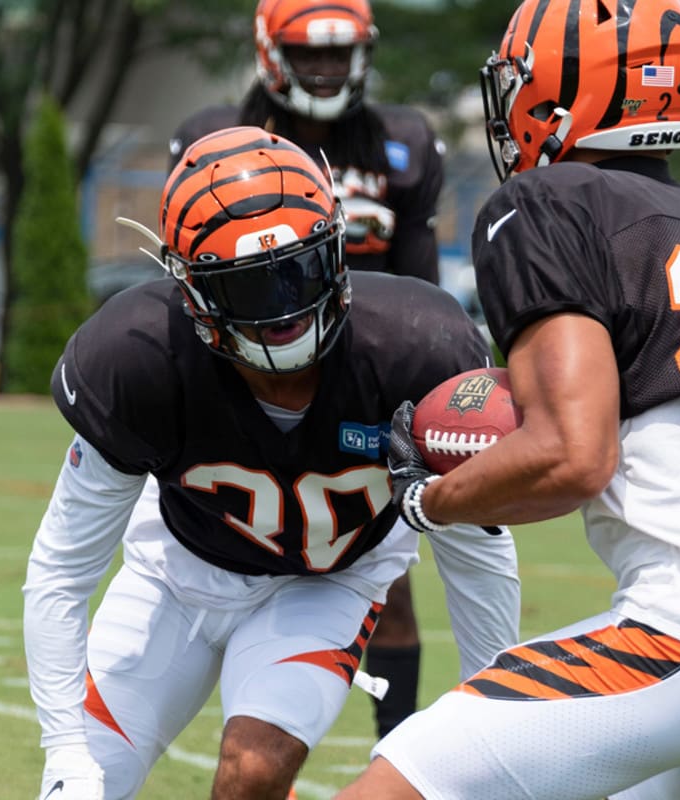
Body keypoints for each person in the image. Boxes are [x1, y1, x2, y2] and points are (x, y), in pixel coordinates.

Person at [335, 1, 680, 798]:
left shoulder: (549, 204)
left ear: (563, 91)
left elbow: (572, 455)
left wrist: (427, 499)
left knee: (399, 783)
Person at [23, 126, 520, 800]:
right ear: (192, 290)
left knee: (252, 773)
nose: (285, 309)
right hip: (174, 573)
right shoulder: (136, 358)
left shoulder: (419, 347)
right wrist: (64, 750)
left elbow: (478, 547)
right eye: (250, 287)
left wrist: (490, 723)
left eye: (299, 270)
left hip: (327, 583)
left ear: (336, 249)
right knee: (83, 786)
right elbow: (62, 568)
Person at [167, 0, 447, 737]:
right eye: (308, 52)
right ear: (270, 51)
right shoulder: (212, 139)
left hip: (359, 376)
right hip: (240, 377)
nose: (325, 67)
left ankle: (396, 753)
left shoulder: (403, 142)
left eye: (338, 51)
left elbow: (421, 293)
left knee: (388, 577)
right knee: (217, 558)